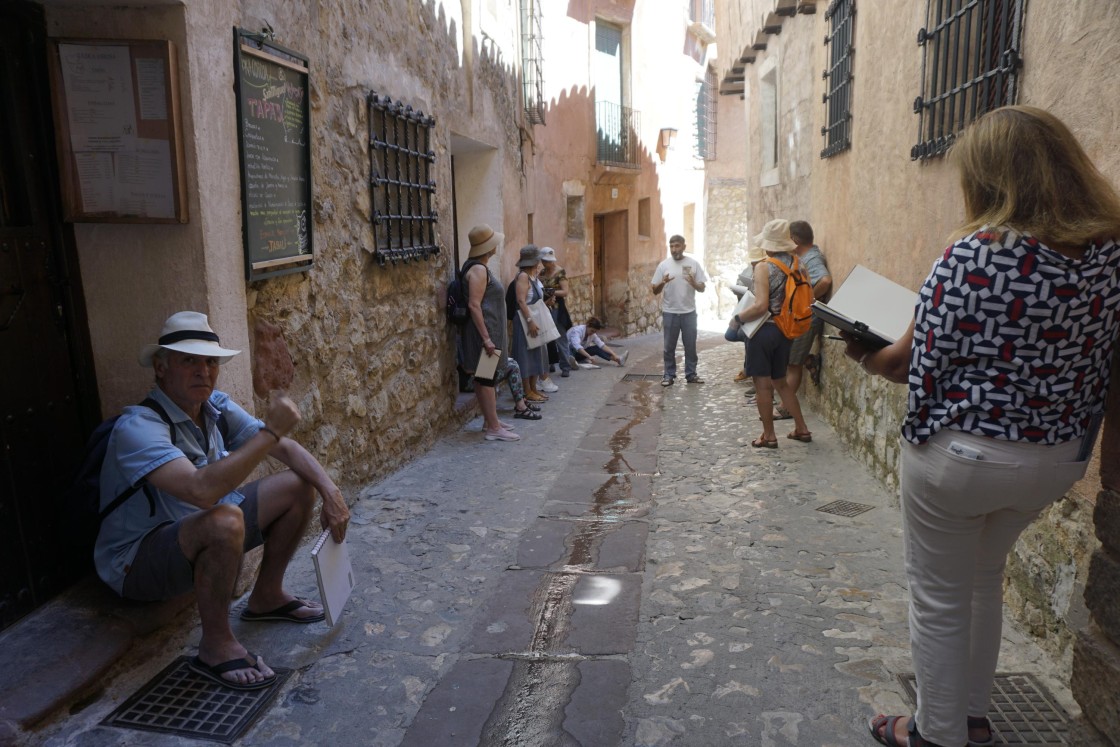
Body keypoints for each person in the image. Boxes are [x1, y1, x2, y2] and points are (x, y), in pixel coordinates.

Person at [850, 106, 1120, 747]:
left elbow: (908, 366)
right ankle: (971, 719)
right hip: (1055, 460)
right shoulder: (1112, 255)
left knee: (939, 597)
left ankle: (936, 735)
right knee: (982, 580)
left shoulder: (973, 256)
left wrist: (861, 351)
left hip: (959, 460)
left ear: (990, 179)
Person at [95, 311, 351, 690]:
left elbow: (286, 449)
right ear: (161, 368)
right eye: (189, 360)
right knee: (224, 518)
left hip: (199, 530)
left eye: (210, 361)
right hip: (137, 563)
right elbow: (201, 491)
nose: (203, 371)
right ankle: (215, 645)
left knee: (299, 485)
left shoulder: (212, 406)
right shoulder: (137, 427)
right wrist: (269, 432)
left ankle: (266, 596)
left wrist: (331, 492)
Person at [731, 219, 812, 448]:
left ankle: (768, 435)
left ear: (768, 244)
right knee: (781, 382)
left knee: (763, 386)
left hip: (764, 331)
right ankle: (802, 429)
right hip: (785, 331)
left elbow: (760, 306)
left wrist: (737, 318)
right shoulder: (799, 264)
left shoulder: (764, 267)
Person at [460, 224, 520, 442]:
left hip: (489, 332)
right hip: (483, 334)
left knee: (486, 378)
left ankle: (489, 420)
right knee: (485, 379)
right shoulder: (477, 270)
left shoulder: (479, 267)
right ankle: (494, 428)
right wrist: (486, 338)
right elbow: (474, 305)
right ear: (488, 247)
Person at [775, 220, 831, 418]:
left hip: (806, 319)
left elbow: (825, 280)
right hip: (800, 319)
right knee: (791, 361)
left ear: (794, 240)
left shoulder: (812, 258)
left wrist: (807, 301)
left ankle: (786, 407)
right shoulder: (804, 256)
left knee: (793, 364)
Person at [651, 234, 708, 386]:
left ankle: (691, 374)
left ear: (684, 246)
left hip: (689, 312)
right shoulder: (664, 265)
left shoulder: (693, 264)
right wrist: (663, 282)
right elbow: (654, 290)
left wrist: (694, 283)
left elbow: (702, 287)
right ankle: (669, 375)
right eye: (671, 246)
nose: (674, 249)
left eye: (677, 246)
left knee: (690, 346)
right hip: (670, 312)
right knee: (669, 347)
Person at [509, 245, 551, 402]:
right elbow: (521, 300)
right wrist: (530, 321)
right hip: (525, 321)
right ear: (535, 261)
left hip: (535, 320)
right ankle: (527, 391)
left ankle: (533, 389)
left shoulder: (533, 276)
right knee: (525, 356)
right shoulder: (523, 277)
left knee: (536, 355)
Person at [728, 244, 768, 396]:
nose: (753, 264)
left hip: (759, 315)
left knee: (753, 342)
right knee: (732, 335)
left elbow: (762, 303)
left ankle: (757, 381)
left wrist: (739, 318)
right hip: (749, 311)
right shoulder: (749, 269)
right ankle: (751, 371)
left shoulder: (767, 269)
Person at [539, 246, 575, 378]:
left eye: (549, 261)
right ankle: (550, 363)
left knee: (561, 337)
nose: (548, 263)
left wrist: (551, 292)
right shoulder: (542, 273)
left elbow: (565, 292)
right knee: (547, 337)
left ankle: (565, 366)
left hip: (557, 309)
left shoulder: (560, 272)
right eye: (545, 261)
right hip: (545, 307)